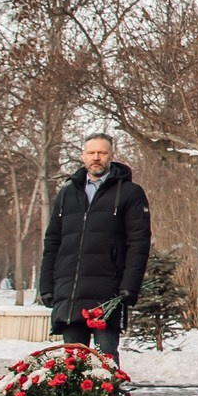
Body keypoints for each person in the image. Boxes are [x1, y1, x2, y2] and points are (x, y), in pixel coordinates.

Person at [38, 132, 151, 364]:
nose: (96, 157)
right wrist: (47, 285)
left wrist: (130, 286)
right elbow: (52, 242)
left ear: (111, 155)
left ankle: (109, 391)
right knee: (72, 364)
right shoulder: (67, 193)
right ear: (83, 156)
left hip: (107, 294)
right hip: (70, 293)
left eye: (102, 152)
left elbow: (138, 243)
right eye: (91, 152)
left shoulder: (129, 193)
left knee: (105, 362)